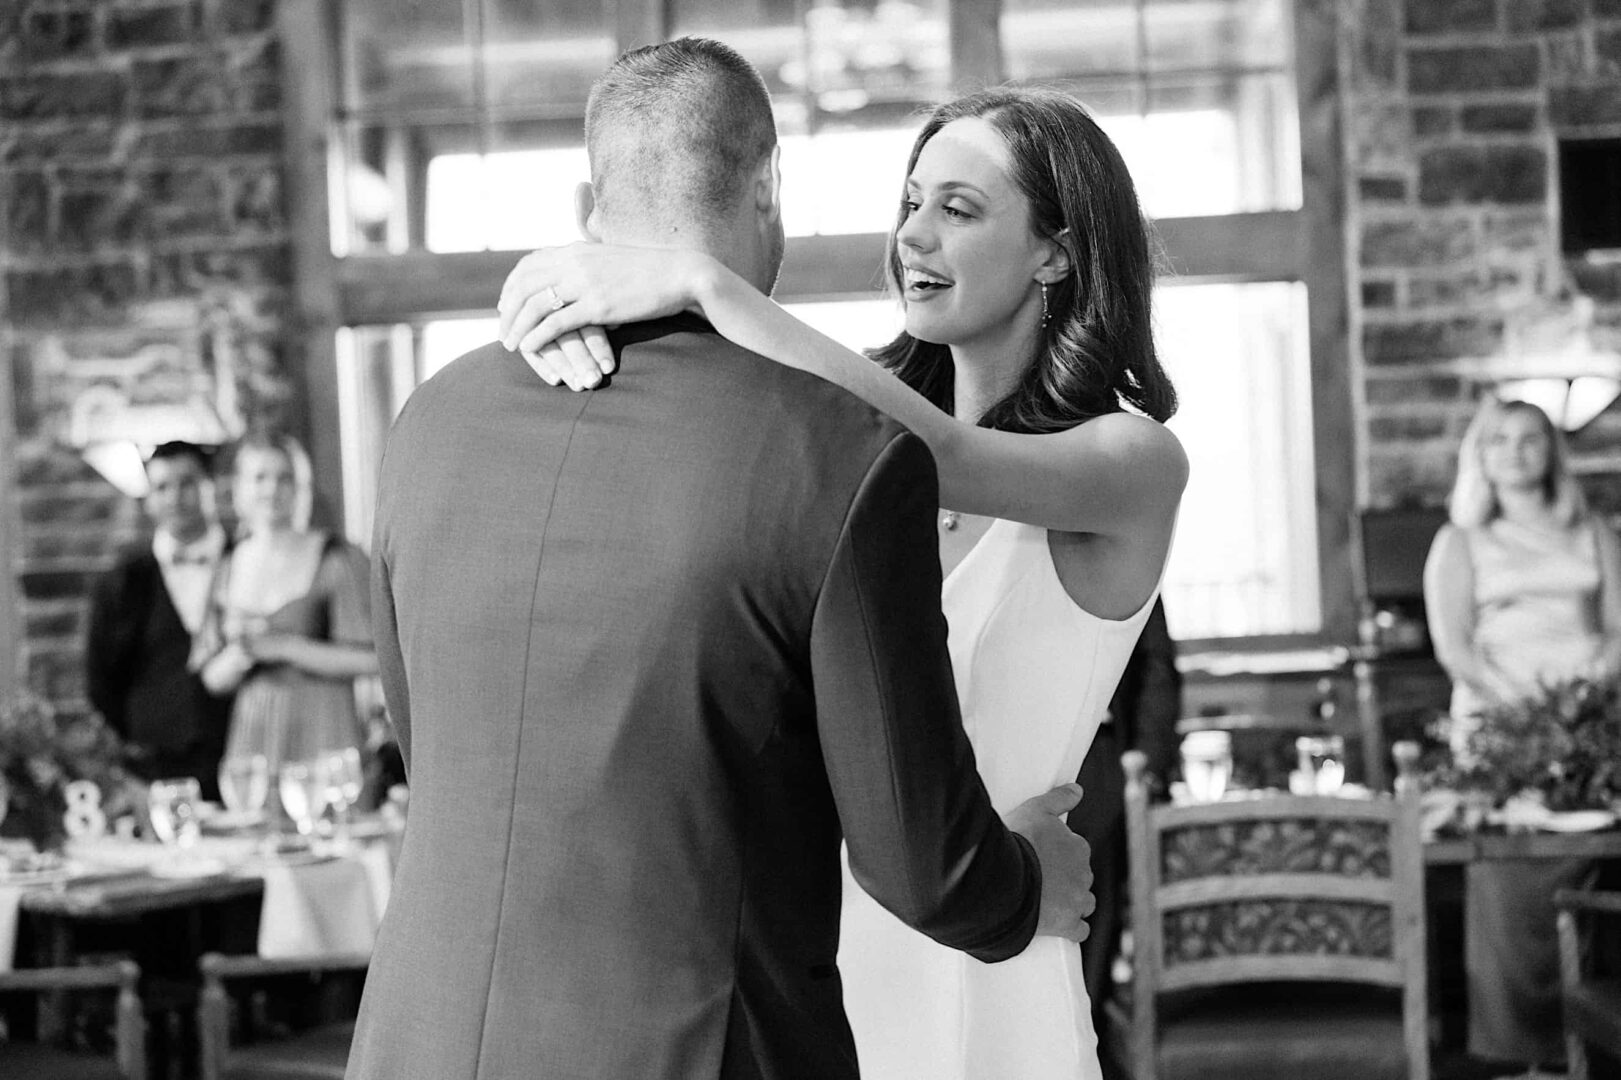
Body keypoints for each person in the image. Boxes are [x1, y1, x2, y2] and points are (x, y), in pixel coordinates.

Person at [346, 39, 1097, 1080]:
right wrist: (1023, 890)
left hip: (418, 1045)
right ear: (767, 186)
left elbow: (431, 747)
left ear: (590, 199)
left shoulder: (428, 422)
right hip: (702, 1049)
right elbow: (917, 862)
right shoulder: (841, 456)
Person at [496, 71, 1187, 1080]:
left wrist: (699, 280)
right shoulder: (849, 419)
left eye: (956, 209)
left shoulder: (1130, 460)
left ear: (1055, 252)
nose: (912, 237)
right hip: (812, 946)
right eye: (909, 204)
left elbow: (943, 456)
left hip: (986, 944)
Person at [1423, 396, 1621, 1067]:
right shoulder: (1458, 541)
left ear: (1551, 451)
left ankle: (1591, 1036)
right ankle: (1513, 1049)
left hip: (1592, 725)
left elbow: (1618, 629)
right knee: (1511, 878)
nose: (1515, 451)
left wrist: (1582, 706)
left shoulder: (1593, 529)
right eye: (1498, 440)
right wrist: (1529, 715)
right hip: (1501, 727)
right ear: (1479, 456)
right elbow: (1455, 649)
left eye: (1529, 438)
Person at [192, 433, 377, 782]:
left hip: (325, 727)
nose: (272, 488)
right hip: (253, 736)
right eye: (260, 477)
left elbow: (374, 659)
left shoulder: (337, 557)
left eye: (284, 477)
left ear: (300, 487)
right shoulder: (228, 565)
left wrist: (287, 648)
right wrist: (243, 653)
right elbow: (212, 679)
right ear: (239, 488)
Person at [86, 441, 233, 799]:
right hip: (154, 766)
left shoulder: (246, 558)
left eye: (187, 483)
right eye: (162, 487)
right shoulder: (121, 578)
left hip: (240, 754)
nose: (175, 497)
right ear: (148, 499)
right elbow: (101, 679)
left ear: (210, 486)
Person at [1069, 597, 1182, 1028]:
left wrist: (1144, 772)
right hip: (997, 765)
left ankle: (1087, 1045)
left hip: (1102, 758)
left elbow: (1157, 664)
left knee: (1094, 932)